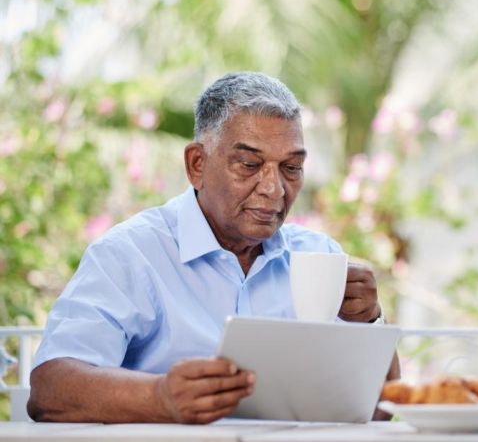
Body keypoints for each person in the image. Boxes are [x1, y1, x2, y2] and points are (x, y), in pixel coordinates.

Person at [27, 71, 399, 424]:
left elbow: (382, 408)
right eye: (250, 164)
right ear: (197, 164)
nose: (274, 189)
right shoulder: (131, 254)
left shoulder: (319, 258)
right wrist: (159, 399)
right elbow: (50, 388)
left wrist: (370, 321)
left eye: (291, 168)